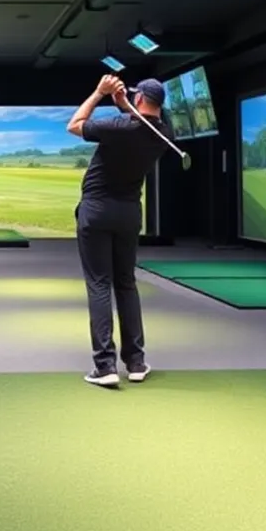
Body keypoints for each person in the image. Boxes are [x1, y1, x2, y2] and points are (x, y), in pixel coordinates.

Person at [67, 76, 169, 388]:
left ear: (139, 100)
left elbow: (75, 124)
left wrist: (99, 92)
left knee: (99, 285)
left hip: (97, 210)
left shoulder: (117, 127)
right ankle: (136, 362)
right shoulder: (164, 132)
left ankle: (105, 366)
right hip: (128, 214)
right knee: (126, 284)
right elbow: (144, 123)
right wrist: (126, 104)